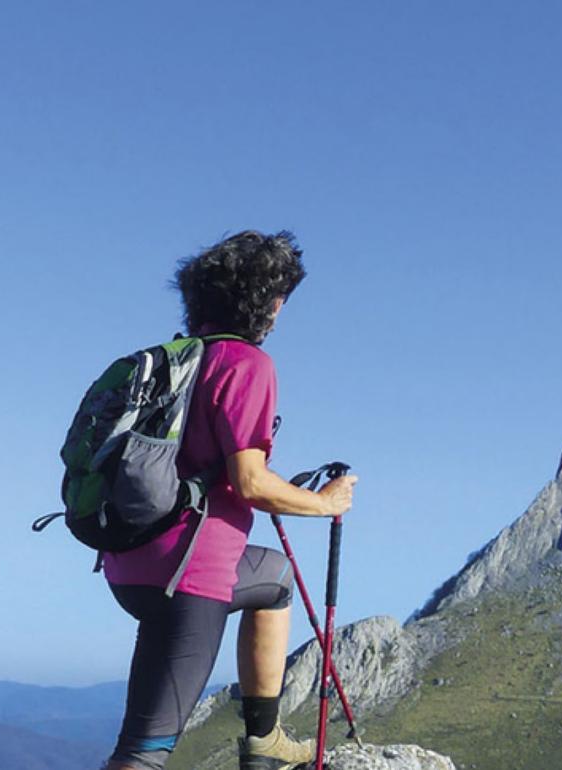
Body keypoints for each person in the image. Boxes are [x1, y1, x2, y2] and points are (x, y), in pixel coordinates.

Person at [101, 230, 356, 770]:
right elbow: (250, 482)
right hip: (189, 577)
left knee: (276, 577)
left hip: (128, 561)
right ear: (270, 303)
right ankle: (260, 742)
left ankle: (264, 740)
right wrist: (326, 504)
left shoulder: (174, 361)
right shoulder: (246, 364)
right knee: (142, 755)